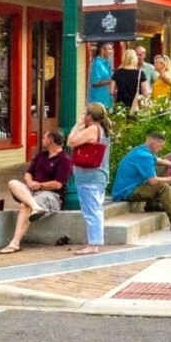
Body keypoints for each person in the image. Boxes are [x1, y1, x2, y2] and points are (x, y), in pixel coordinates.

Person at [2, 128, 72, 255]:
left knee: (24, 205)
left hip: (51, 195)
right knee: (12, 183)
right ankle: (35, 207)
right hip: (32, 191)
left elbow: (57, 184)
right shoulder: (41, 156)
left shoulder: (64, 160)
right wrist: (29, 183)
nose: (42, 140)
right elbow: (28, 174)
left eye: (44, 137)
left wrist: (38, 185)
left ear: (51, 140)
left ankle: (15, 243)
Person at [109, 130, 171, 231]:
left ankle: (152, 205)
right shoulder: (144, 157)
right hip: (126, 192)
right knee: (164, 187)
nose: (161, 148)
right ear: (153, 143)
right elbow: (153, 181)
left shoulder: (142, 150)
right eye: (161, 146)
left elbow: (159, 160)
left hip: (129, 187)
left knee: (162, 168)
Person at [67, 102, 111, 255]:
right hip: (95, 176)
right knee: (94, 208)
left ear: (90, 116)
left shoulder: (93, 129)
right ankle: (94, 240)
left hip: (90, 177)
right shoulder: (102, 130)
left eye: (85, 114)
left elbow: (71, 141)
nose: (83, 117)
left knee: (92, 209)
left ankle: (94, 243)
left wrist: (77, 126)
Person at [87, 44, 115, 109]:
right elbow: (95, 82)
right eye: (109, 49)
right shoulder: (96, 63)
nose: (112, 51)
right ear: (102, 50)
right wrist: (111, 80)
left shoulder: (106, 63)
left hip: (107, 101)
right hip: (98, 102)